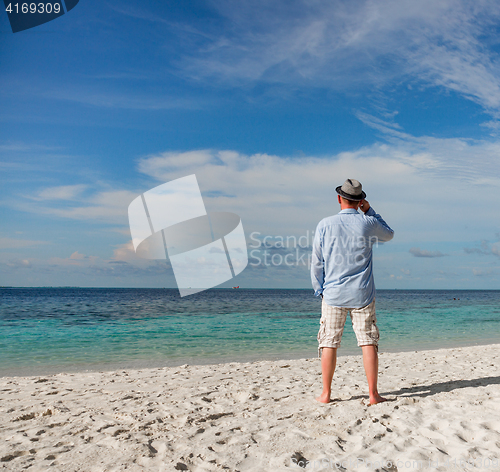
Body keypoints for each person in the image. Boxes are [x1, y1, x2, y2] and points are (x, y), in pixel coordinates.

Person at [311, 179, 394, 405]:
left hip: (333, 294)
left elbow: (317, 262)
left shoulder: (324, 224)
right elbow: (389, 234)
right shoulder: (367, 223)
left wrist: (320, 289)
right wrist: (371, 211)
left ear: (339, 198)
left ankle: (326, 394)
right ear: (360, 202)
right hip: (362, 294)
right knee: (368, 342)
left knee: (328, 342)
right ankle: (373, 394)